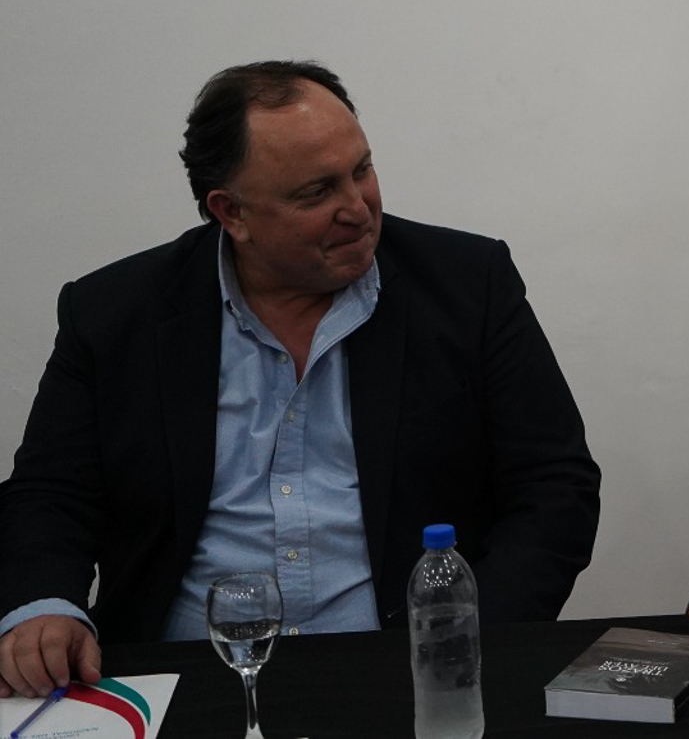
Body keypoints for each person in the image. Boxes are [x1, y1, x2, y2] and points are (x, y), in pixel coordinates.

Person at [0, 62, 602, 697]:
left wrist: (461, 640)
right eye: (316, 193)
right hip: (180, 671)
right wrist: (44, 608)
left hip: (405, 666)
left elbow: (554, 487)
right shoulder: (115, 313)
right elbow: (50, 491)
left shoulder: (468, 286)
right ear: (231, 212)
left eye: (362, 170)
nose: (358, 209)